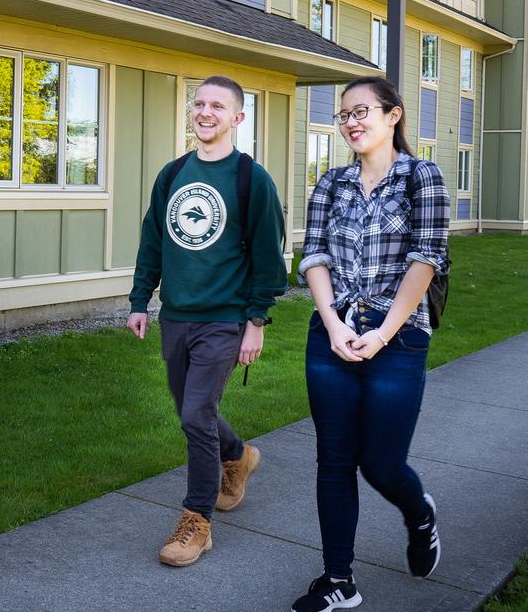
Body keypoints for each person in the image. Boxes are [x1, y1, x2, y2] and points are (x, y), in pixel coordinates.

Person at [289, 76, 449, 612]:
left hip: (398, 338)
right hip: (332, 336)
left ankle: (419, 513)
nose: (352, 122)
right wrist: (333, 325)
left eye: (362, 111)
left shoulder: (421, 178)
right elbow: (313, 257)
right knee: (334, 460)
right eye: (344, 115)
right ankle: (339, 581)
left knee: (381, 464)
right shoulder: (330, 184)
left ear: (393, 116)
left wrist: (381, 334)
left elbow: (426, 259)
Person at [127, 75, 288, 567]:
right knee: (190, 411)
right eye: (199, 103)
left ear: (238, 118)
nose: (205, 112)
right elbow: (154, 239)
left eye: (218, 105)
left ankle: (196, 522)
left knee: (196, 414)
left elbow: (269, 257)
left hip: (224, 318)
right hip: (177, 315)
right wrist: (140, 299)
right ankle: (238, 455)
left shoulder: (250, 179)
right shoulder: (173, 174)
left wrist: (256, 320)